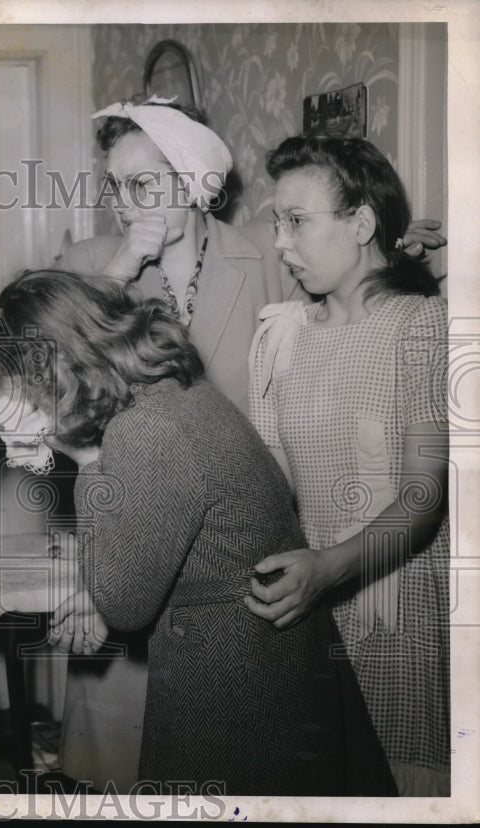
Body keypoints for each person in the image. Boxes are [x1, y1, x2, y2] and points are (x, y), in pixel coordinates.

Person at [54, 94, 447, 792]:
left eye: (143, 183)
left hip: (249, 575)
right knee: (136, 773)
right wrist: (121, 264)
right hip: (140, 555)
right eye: (112, 185)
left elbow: (352, 292)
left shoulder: (268, 256)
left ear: (190, 181)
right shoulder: (89, 267)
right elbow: (40, 381)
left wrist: (410, 255)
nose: (123, 201)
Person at [0, 270, 395, 795]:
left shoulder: (143, 431)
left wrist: (83, 455)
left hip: (239, 683)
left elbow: (124, 606)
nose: (7, 446)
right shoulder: (164, 393)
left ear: (48, 377)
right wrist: (98, 596)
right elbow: (158, 547)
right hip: (258, 661)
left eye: (3, 417)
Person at [246, 134, 449, 796]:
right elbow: (273, 495)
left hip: (398, 612)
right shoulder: (280, 336)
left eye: (297, 222)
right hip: (308, 612)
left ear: (361, 223)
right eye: (278, 223)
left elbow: (422, 500)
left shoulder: (421, 326)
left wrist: (327, 569)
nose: (281, 243)